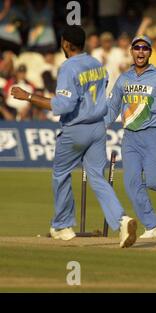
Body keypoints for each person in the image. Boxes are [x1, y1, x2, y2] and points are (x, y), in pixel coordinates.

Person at [10, 25, 137, 248]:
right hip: (98, 127)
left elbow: (63, 105)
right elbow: (103, 87)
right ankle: (122, 220)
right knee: (97, 177)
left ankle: (63, 225)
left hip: (75, 128)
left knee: (61, 173)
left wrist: (28, 96)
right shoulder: (97, 64)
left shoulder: (68, 68)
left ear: (66, 44)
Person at [105, 35, 156, 239]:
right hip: (131, 137)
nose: (140, 52)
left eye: (144, 48)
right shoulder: (123, 79)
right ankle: (153, 226)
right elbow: (112, 108)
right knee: (131, 182)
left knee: (154, 183)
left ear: (150, 52)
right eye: (137, 48)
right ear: (131, 51)